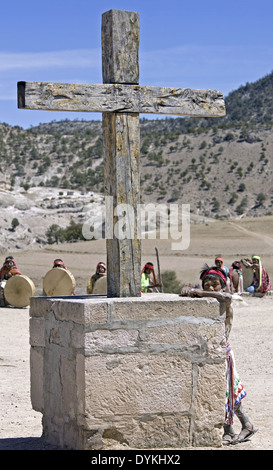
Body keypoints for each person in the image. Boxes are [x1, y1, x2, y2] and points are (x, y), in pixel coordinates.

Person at [180, 264, 257, 445]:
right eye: (207, 285)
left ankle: (238, 427)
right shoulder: (208, 302)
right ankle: (237, 427)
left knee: (227, 391)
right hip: (213, 353)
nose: (211, 288)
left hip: (224, 354)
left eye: (215, 284)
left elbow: (227, 296)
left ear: (222, 285)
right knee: (226, 392)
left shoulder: (224, 300)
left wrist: (198, 292)